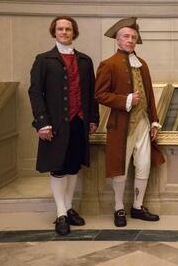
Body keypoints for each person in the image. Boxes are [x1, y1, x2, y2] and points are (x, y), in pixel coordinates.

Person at [28, 16, 99, 235]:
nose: (64, 32)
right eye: (60, 29)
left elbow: (91, 92)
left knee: (72, 165)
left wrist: (93, 118)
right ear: (54, 31)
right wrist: (42, 123)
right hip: (55, 124)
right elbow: (34, 92)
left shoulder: (85, 60)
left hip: (79, 121)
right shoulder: (44, 59)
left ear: (74, 32)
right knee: (58, 167)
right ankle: (60, 213)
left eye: (68, 29)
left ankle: (69, 208)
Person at [95, 17, 164, 227]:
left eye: (133, 37)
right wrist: (124, 100)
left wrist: (154, 121)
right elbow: (99, 94)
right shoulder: (108, 64)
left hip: (142, 123)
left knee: (143, 165)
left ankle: (137, 205)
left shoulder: (143, 64)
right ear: (117, 39)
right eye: (126, 36)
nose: (130, 40)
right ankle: (118, 208)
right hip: (121, 125)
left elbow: (149, 95)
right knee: (120, 167)